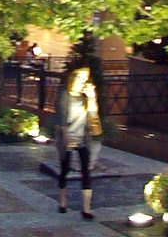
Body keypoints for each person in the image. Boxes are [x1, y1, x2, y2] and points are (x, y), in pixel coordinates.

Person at [52, 63, 102, 221]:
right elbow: (61, 119)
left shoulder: (85, 97)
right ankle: (62, 201)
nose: (83, 82)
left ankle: (86, 208)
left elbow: (93, 117)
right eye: (80, 78)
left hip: (82, 138)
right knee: (65, 169)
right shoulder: (64, 95)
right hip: (66, 137)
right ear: (73, 78)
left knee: (86, 171)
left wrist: (92, 97)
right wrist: (67, 139)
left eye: (85, 79)